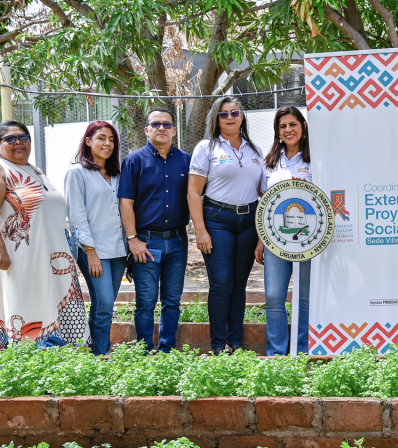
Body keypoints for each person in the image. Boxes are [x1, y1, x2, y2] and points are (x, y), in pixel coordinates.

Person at [0, 120, 90, 351]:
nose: (18, 142)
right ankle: (28, 361)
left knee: (57, 304)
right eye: (10, 138)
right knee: (28, 305)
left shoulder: (33, 170)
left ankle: (63, 362)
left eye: (23, 137)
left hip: (50, 259)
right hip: (20, 259)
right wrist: (0, 250)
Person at [188, 97, 265, 355]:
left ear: (242, 116)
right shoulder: (206, 147)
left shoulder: (255, 150)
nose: (230, 117)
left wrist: (262, 236)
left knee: (239, 284)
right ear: (215, 118)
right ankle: (219, 346)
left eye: (235, 112)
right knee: (222, 283)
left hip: (249, 222)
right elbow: (193, 192)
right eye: (223, 114)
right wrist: (200, 230)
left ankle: (235, 342)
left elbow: (262, 193)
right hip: (217, 219)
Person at [118, 107, 191, 353]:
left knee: (172, 302)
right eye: (156, 124)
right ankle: (145, 352)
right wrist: (133, 240)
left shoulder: (186, 160)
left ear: (174, 130)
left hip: (179, 242)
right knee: (146, 302)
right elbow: (125, 202)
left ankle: (166, 351)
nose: (162, 128)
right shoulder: (134, 161)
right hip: (146, 243)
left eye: (167, 124)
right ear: (146, 129)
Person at [65, 121, 127, 358]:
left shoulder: (118, 174)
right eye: (101, 138)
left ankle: (95, 352)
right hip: (93, 250)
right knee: (105, 304)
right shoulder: (77, 173)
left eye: (111, 139)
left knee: (105, 306)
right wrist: (90, 251)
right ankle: (101, 355)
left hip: (118, 250)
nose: (107, 143)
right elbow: (77, 216)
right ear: (88, 141)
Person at [255, 106, 312, 355]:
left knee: (304, 298)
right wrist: (260, 240)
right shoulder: (269, 164)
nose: (288, 130)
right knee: (274, 297)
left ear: (303, 127)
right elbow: (263, 205)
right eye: (282, 126)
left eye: (293, 124)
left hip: (309, 240)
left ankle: (301, 352)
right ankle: (276, 354)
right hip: (275, 240)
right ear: (277, 132)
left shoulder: (316, 160)